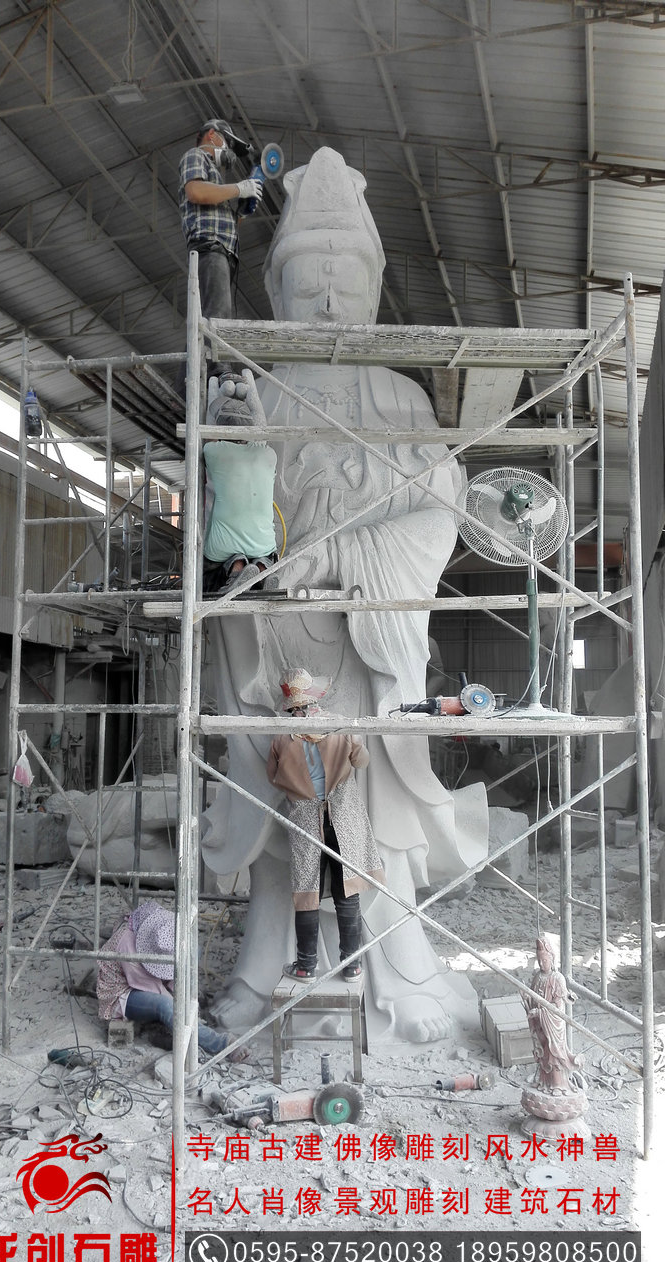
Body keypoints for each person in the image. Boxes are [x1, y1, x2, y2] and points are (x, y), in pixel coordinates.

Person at [202, 148, 488, 1045]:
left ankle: (398, 967)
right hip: (276, 634)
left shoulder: (400, 394)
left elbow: (440, 511)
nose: (326, 294)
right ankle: (265, 965)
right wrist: (237, 466)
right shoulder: (256, 388)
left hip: (369, 629)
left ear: (373, 285)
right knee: (277, 800)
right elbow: (225, 514)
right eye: (306, 276)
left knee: (375, 816)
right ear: (276, 289)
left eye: (345, 275)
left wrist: (345, 556)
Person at [267, 668, 385, 982]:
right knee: (348, 889)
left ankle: (306, 966)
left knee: (307, 892)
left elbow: (273, 777)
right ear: (314, 697)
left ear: (291, 705)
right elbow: (362, 761)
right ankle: (352, 965)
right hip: (342, 817)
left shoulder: (281, 736)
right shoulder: (340, 725)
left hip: (306, 819)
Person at [177, 118, 263, 406]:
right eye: (226, 142)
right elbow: (196, 192)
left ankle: (186, 383)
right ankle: (218, 369)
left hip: (221, 249)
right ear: (212, 135)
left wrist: (242, 211)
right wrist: (239, 188)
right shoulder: (196, 157)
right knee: (217, 312)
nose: (227, 150)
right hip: (209, 247)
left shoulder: (216, 179)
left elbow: (223, 219)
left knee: (208, 316)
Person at [96, 902, 248, 1061]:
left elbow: (174, 974)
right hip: (122, 993)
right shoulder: (126, 944)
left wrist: (187, 998)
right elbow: (153, 989)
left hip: (144, 981)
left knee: (192, 957)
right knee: (166, 1006)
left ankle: (184, 1028)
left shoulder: (160, 927)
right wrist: (186, 1011)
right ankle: (222, 1044)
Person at [202, 370, 279, 595]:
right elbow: (260, 422)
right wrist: (248, 383)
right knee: (264, 548)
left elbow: (208, 424)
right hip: (263, 542)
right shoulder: (268, 454)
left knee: (213, 559)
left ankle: (237, 568)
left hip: (222, 546)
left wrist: (214, 384)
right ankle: (263, 569)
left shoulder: (214, 452)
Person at [522, 936, 580, 1094]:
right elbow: (533, 997)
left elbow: (558, 1007)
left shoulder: (557, 978)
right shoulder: (537, 977)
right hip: (540, 1023)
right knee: (543, 1053)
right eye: (539, 961)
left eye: (545, 961)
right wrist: (527, 998)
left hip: (552, 1023)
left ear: (552, 960)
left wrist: (540, 1012)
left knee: (554, 1053)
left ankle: (559, 1085)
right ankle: (544, 1082)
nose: (542, 964)